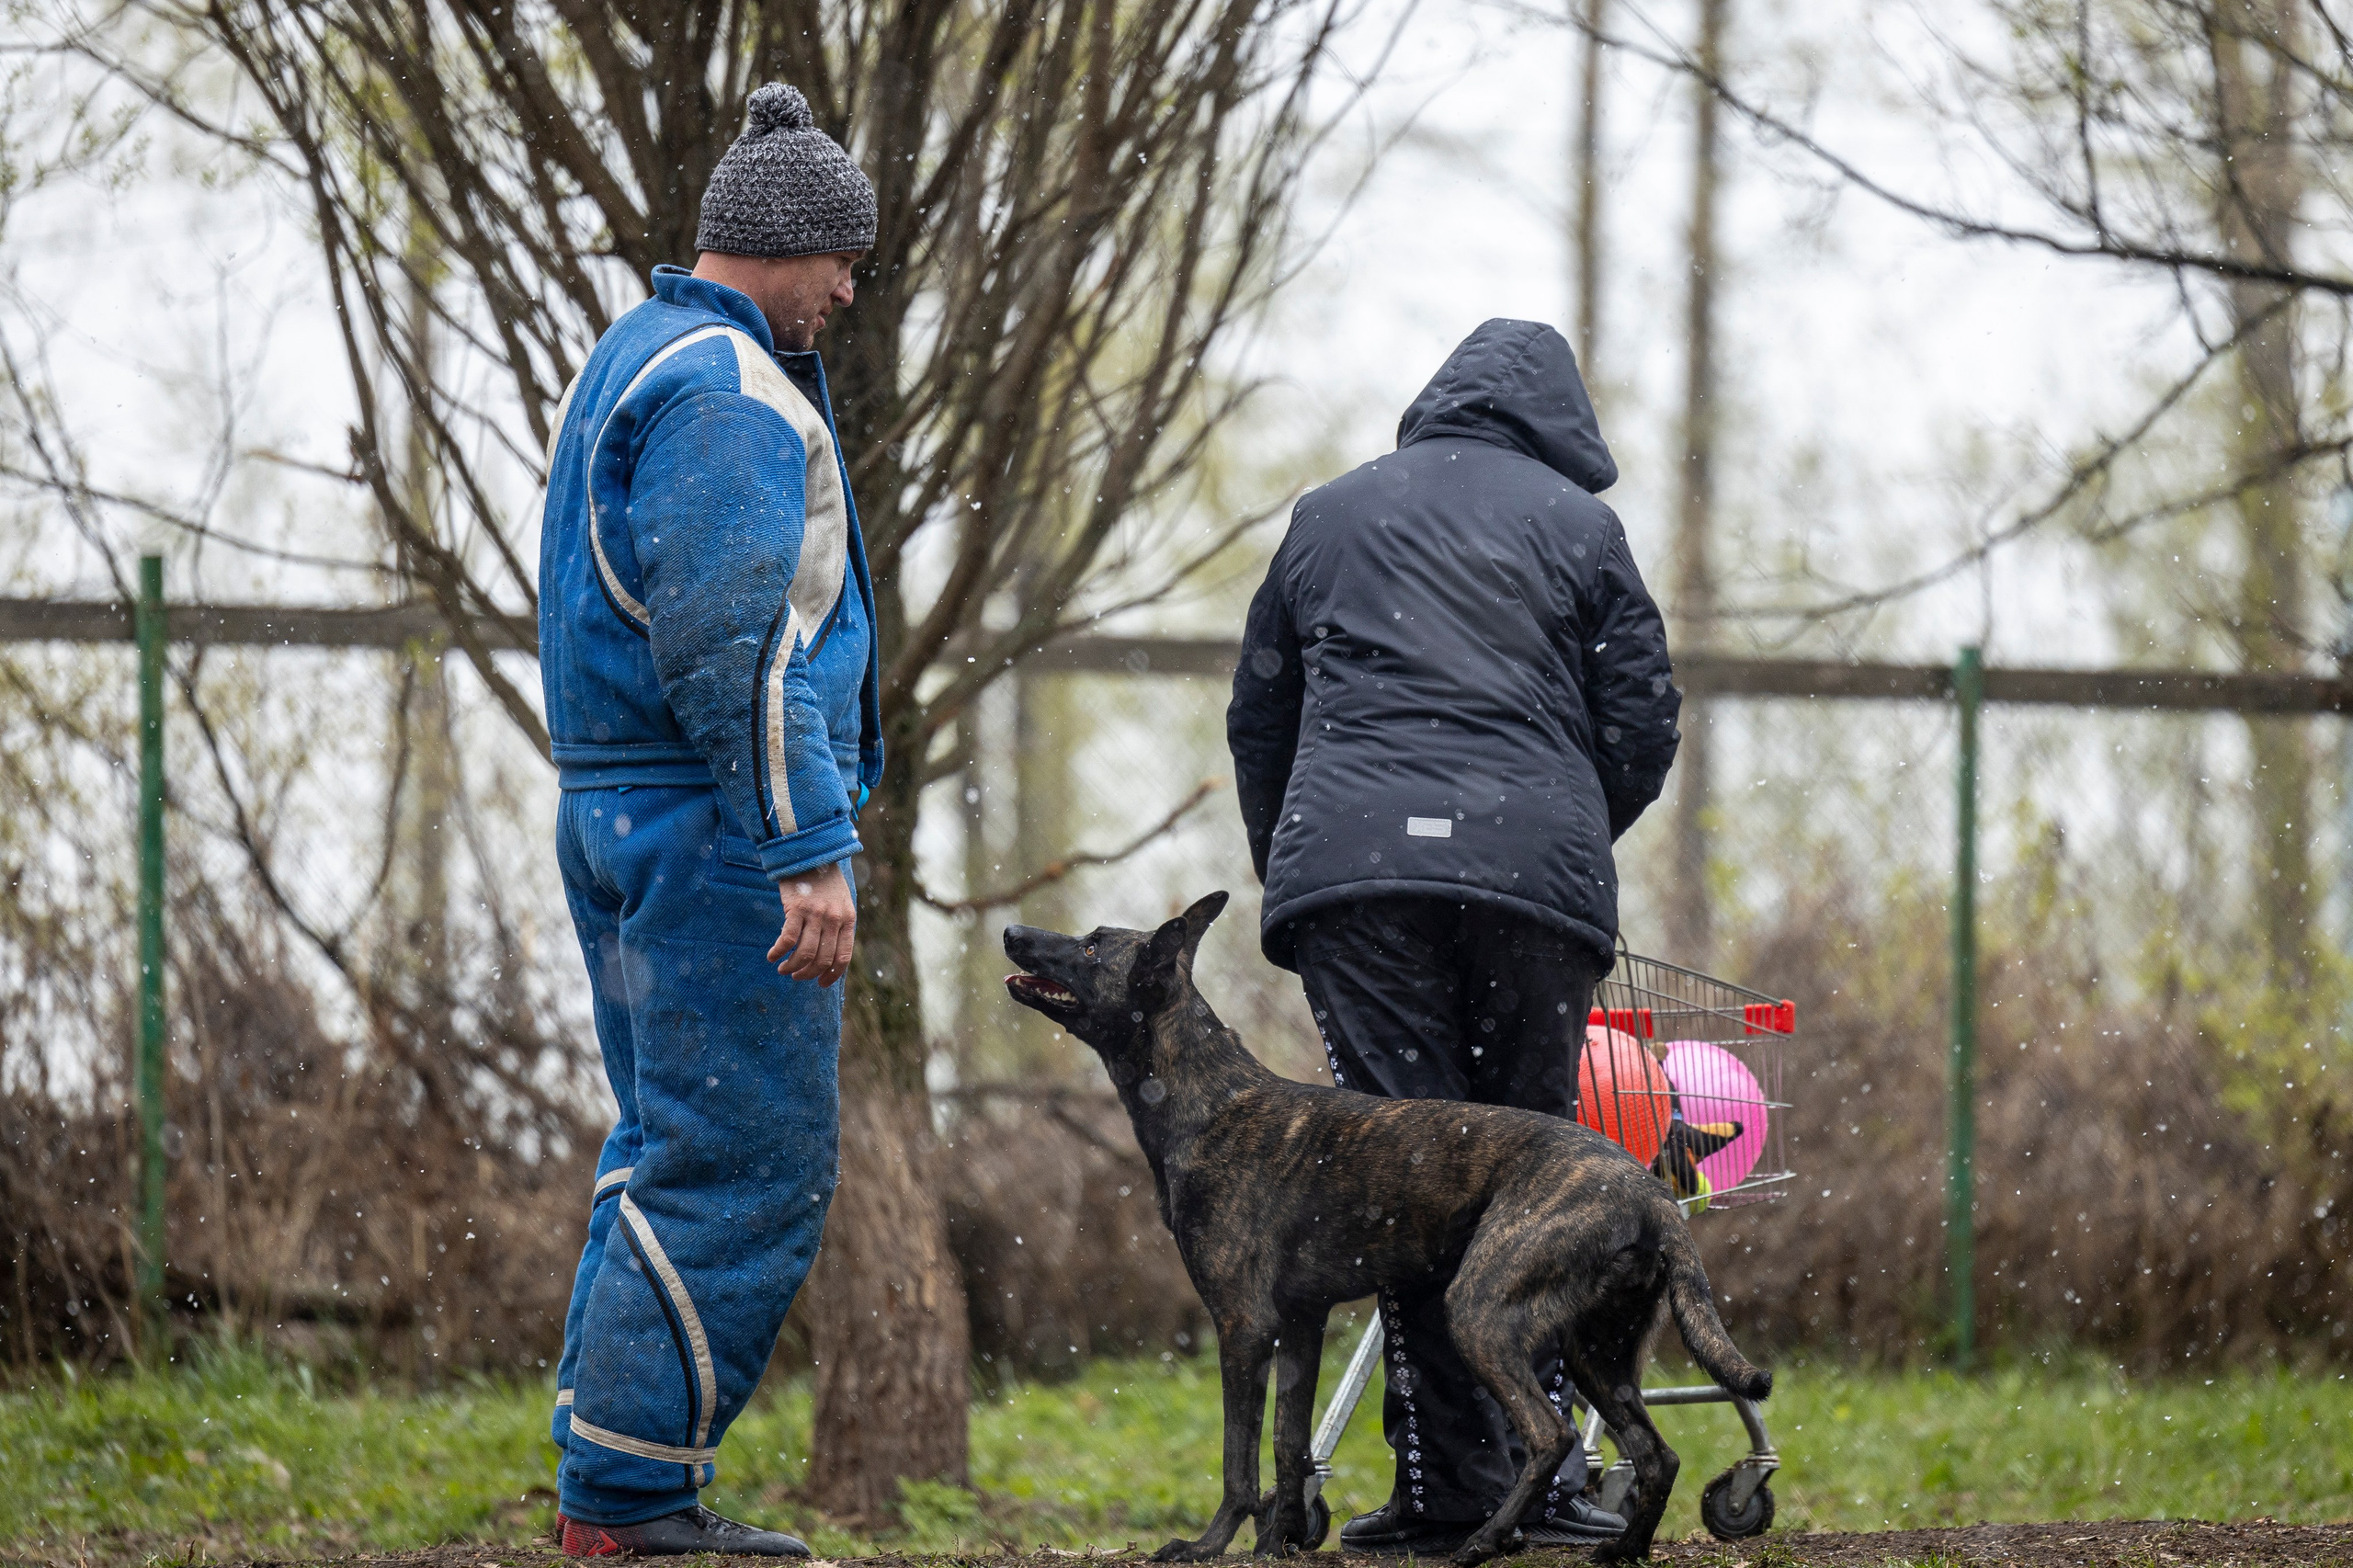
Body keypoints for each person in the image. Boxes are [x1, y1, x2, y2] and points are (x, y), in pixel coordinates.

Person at [1225, 317, 1681, 1555]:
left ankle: (1451, 1487)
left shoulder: (1328, 515)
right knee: (1525, 1184)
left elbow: (1259, 713)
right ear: (1562, 421)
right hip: (1530, 889)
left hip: (1355, 887)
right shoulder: (1582, 527)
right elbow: (1642, 716)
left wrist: (1306, 864)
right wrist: (1562, 829)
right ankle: (1535, 1476)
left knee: (1398, 1195)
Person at [535, 82, 883, 1558]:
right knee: (745, 1157)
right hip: (710, 827)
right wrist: (803, 844)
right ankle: (627, 1500)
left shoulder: (630, 357)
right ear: (779, 245)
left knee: (672, 1141)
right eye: (839, 262)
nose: (848, 291)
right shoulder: (727, 391)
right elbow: (734, 642)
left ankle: (621, 1479)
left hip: (622, 808)